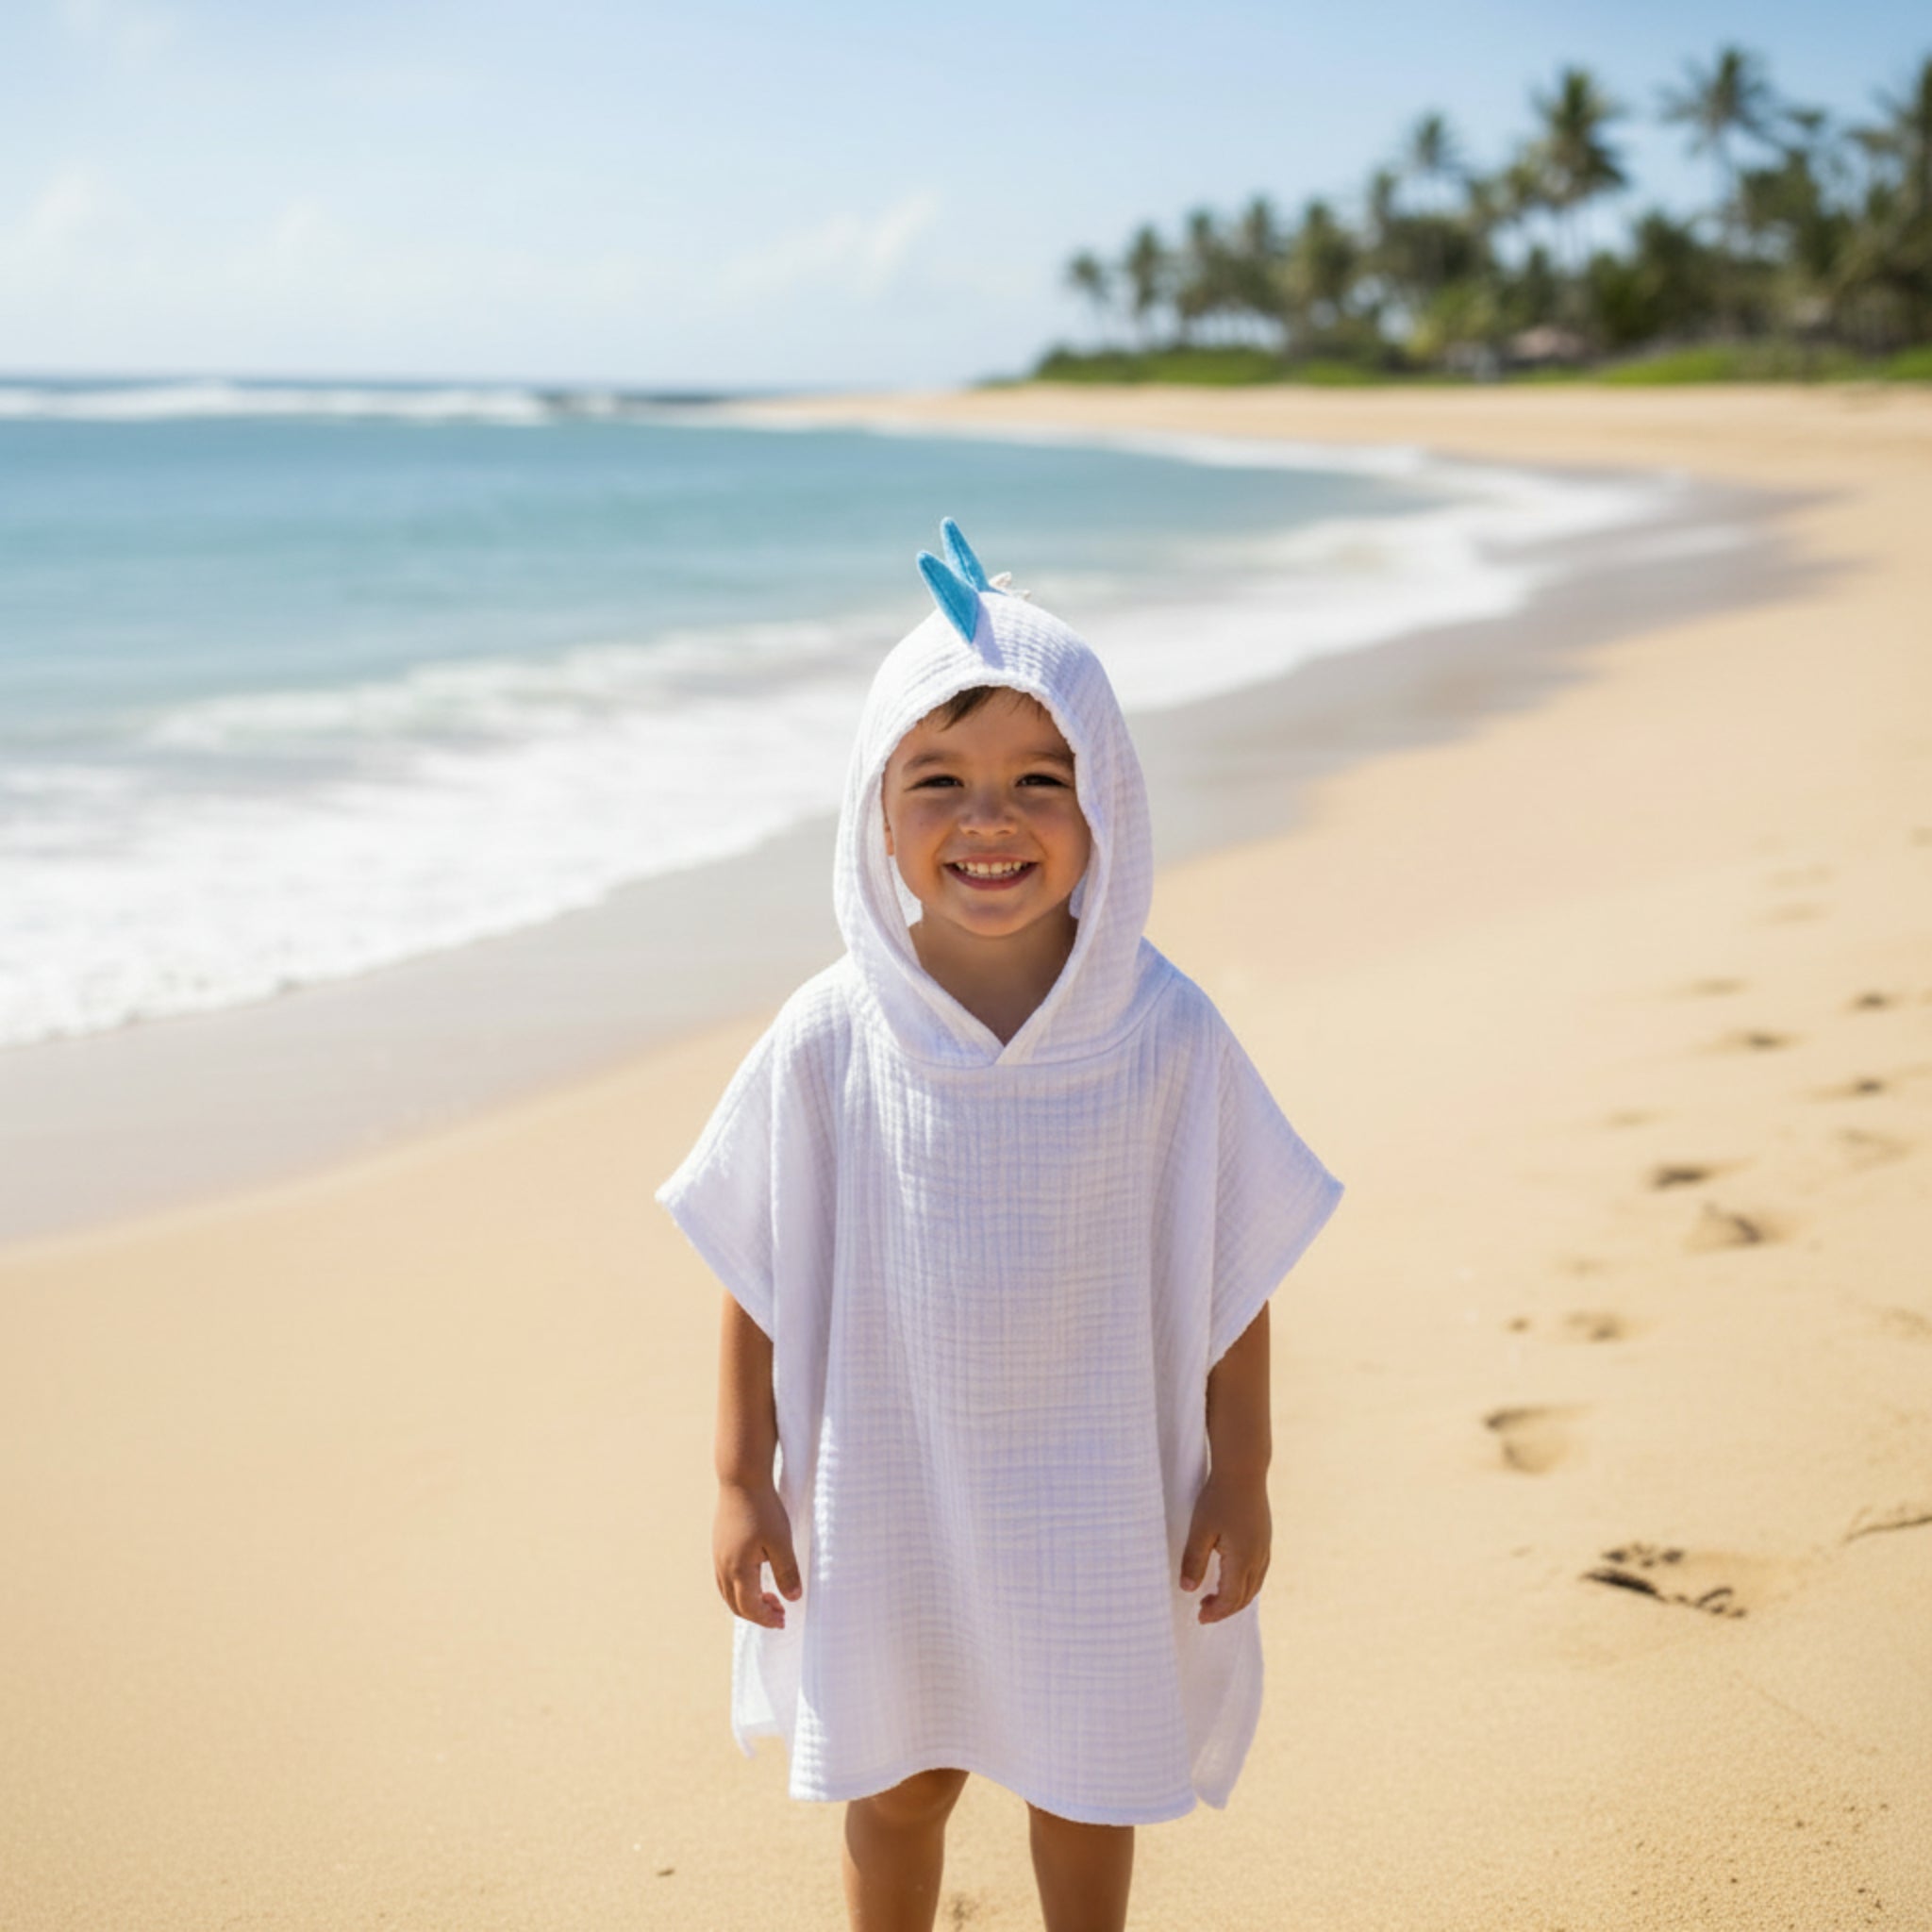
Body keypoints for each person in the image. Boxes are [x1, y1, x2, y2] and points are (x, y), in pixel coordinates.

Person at [656, 519, 1344, 1932]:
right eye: (939, 783)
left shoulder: (1161, 1033)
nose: (989, 821)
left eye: (1042, 780)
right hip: (893, 1490)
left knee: (1085, 1787)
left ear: (1108, 811)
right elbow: (756, 1269)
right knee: (900, 1782)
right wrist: (742, 1479)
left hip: (1097, 1492)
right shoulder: (832, 1035)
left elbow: (1232, 1267)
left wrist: (1244, 1472)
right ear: (878, 810)